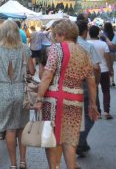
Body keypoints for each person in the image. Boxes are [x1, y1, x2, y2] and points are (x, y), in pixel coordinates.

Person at [34, 19, 99, 169]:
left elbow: (47, 76)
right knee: (70, 138)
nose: (55, 38)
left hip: (55, 100)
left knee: (53, 139)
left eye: (56, 35)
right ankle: (71, 166)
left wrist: (39, 98)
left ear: (62, 35)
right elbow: (91, 81)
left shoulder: (56, 49)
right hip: (75, 100)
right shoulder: (83, 52)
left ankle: (55, 166)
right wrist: (93, 104)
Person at [0, 20, 35, 169]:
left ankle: (13, 164)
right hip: (21, 90)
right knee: (22, 128)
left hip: (3, 91)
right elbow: (32, 71)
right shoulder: (24, 48)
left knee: (10, 129)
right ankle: (23, 161)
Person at [76, 20, 102, 157]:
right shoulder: (87, 46)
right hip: (86, 85)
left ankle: (83, 142)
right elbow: (96, 68)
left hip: (68, 86)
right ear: (85, 32)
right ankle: (80, 140)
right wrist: (96, 84)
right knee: (92, 113)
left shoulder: (61, 46)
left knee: (76, 115)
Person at [88, 25, 113, 119]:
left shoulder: (86, 44)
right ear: (98, 33)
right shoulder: (103, 44)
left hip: (92, 70)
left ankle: (97, 111)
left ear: (89, 33)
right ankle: (107, 111)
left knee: (95, 91)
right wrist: (111, 69)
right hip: (104, 70)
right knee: (106, 90)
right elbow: (108, 58)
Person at [100, 22, 116, 86]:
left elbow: (101, 43)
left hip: (106, 52)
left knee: (107, 66)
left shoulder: (103, 35)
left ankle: (108, 81)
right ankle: (113, 80)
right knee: (111, 66)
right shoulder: (113, 34)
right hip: (113, 52)